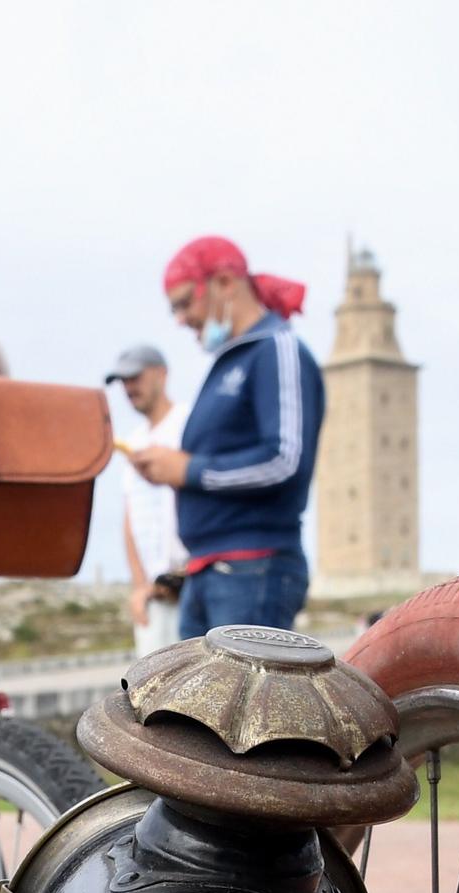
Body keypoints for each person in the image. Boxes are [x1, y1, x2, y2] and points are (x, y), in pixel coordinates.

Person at [132, 236, 322, 639]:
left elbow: (285, 460)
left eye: (185, 303)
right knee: (189, 703)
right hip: (209, 569)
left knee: (245, 704)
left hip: (253, 566)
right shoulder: (229, 362)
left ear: (224, 283)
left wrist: (188, 470)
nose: (181, 319)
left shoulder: (276, 350)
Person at [105, 343, 187, 656]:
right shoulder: (134, 440)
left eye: (135, 378)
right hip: (154, 595)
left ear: (161, 374)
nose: (128, 388)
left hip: (190, 585)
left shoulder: (187, 423)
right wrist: (139, 585)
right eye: (123, 381)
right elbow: (130, 518)